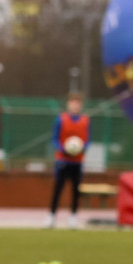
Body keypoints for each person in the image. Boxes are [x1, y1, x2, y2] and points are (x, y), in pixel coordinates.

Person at [45, 92, 91, 229]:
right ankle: (51, 217)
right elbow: (54, 139)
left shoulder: (85, 121)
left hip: (77, 161)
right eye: (73, 102)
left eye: (77, 103)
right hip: (63, 160)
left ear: (80, 105)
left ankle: (73, 217)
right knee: (58, 189)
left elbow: (87, 140)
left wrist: (82, 148)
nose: (75, 105)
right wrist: (63, 149)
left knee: (76, 191)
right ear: (68, 104)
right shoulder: (61, 119)